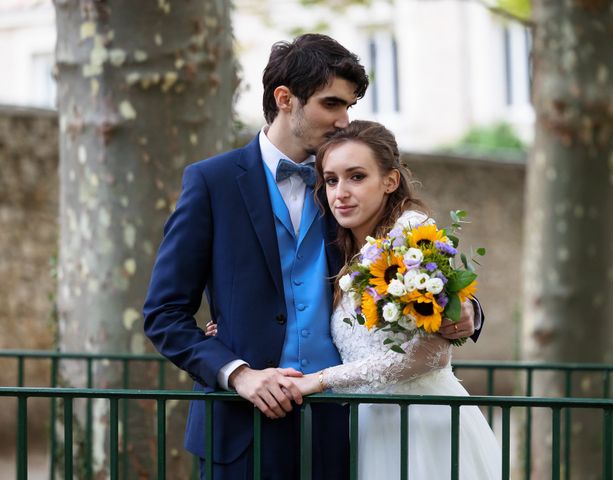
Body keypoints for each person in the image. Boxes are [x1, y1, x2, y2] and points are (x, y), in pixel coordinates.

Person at [144, 34, 480, 480]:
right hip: (240, 427)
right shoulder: (212, 182)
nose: (344, 121)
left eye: (350, 107)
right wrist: (238, 372)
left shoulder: (347, 189)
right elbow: (163, 312)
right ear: (285, 99)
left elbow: (412, 261)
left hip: (344, 426)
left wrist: (466, 310)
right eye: (332, 104)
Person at [287, 120, 502, 479]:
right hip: (369, 428)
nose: (340, 192)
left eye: (356, 176)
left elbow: (431, 353)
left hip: (424, 426)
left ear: (390, 180)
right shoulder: (340, 247)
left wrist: (321, 380)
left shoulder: (413, 237)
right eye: (331, 179)